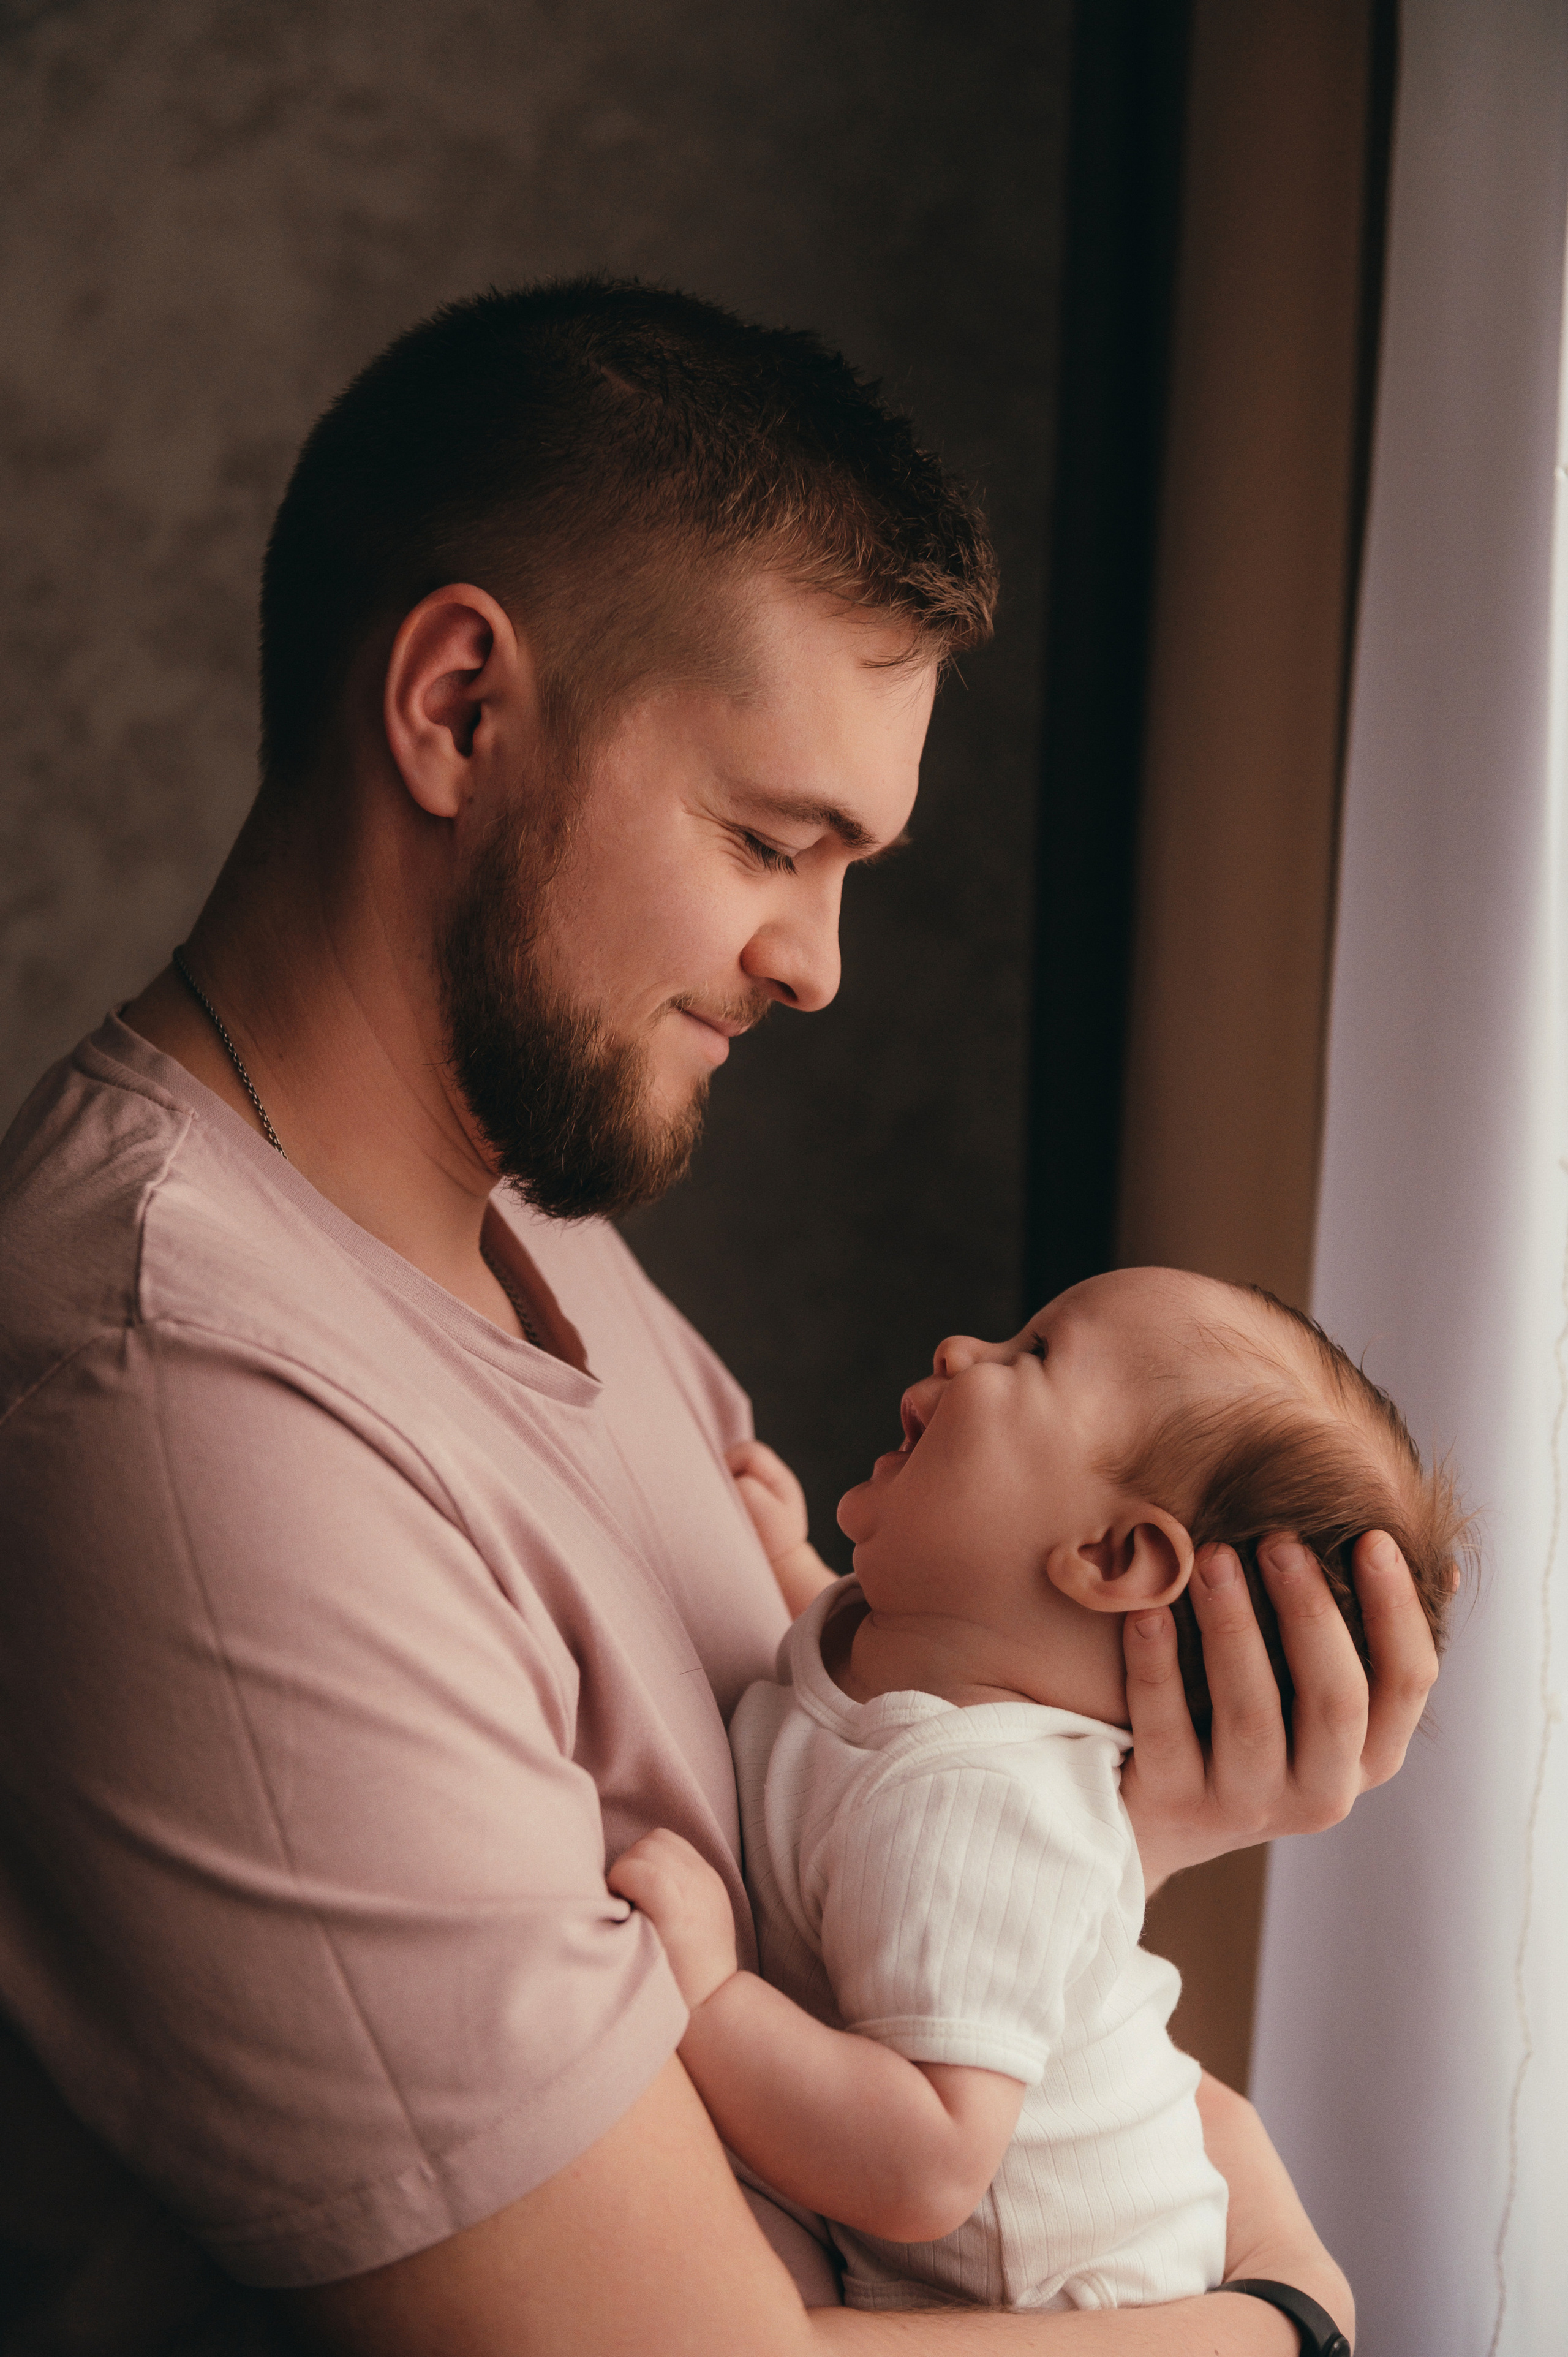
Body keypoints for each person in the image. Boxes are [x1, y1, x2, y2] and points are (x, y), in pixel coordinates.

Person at [0, 279, 1442, 2356]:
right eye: (773, 839)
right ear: (458, 709)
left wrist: (1122, 1813)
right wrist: (1283, 2317)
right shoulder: (192, 1403)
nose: (819, 964)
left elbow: (874, 1974)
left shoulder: (533, 1224)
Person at [612, 1267, 1464, 2326]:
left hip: (1076, 2303)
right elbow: (853, 1728)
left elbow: (929, 2164)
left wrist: (710, 1998)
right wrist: (785, 1560)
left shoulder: (979, 1814)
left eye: (1036, 1355)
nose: (961, 1349)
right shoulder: (903, 1664)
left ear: (1111, 1554)